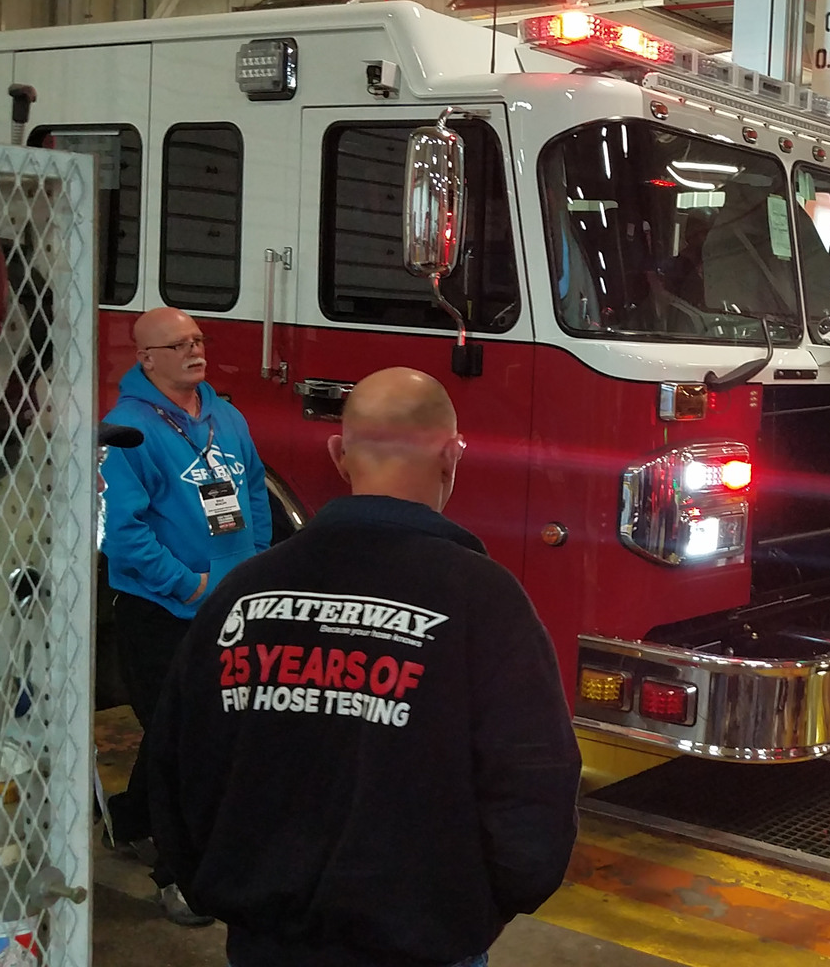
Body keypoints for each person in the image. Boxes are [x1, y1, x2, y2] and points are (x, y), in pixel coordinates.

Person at [148, 368, 581, 967]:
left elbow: (176, 759)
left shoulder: (243, 592)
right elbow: (534, 779)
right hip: (423, 946)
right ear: (453, 456)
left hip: (263, 944)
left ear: (338, 454)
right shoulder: (484, 600)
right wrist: (474, 908)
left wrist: (227, 886)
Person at [99, 307, 271, 925]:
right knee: (187, 741)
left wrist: (253, 565)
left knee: (185, 731)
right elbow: (122, 534)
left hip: (231, 601)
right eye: (178, 345)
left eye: (198, 340)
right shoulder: (126, 432)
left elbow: (252, 488)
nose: (195, 352)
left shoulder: (225, 415)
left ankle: (130, 821)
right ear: (147, 359)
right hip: (165, 612)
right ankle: (178, 878)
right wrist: (190, 585)